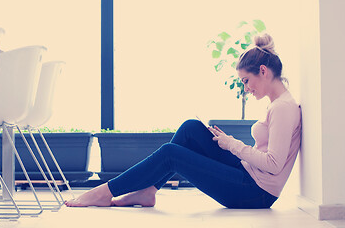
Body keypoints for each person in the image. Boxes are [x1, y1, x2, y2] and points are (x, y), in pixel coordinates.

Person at [65, 34, 302, 209]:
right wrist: (229, 143)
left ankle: (104, 192)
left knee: (171, 154)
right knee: (191, 127)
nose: (245, 88)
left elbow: (273, 164)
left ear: (263, 71)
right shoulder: (277, 104)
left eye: (245, 81)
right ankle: (148, 191)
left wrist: (232, 144)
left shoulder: (283, 108)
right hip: (248, 175)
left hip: (255, 192)